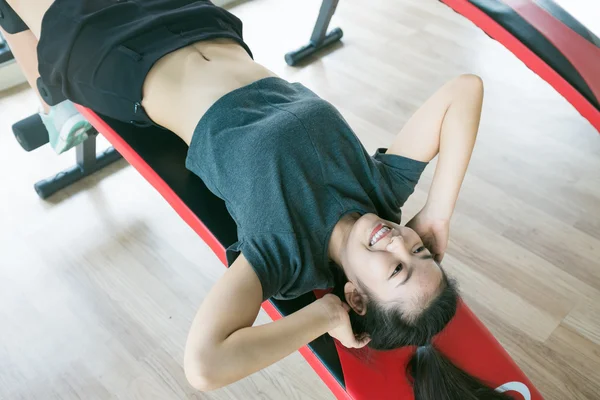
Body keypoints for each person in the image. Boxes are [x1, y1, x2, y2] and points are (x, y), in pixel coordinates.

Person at [1, 1, 510, 399]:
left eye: (395, 270)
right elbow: (464, 89)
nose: (397, 243)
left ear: (355, 295)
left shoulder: (283, 256)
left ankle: (54, 99)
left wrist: (325, 317)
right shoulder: (383, 191)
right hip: (196, 21)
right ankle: (53, 102)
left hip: (116, 54)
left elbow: (205, 366)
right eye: (417, 251)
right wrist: (439, 213)